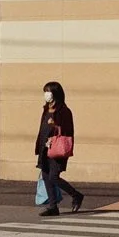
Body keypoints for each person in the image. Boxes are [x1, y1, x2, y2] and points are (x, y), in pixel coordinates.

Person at [34, 81, 84, 217]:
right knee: (45, 176)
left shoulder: (64, 111)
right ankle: (53, 206)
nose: (46, 94)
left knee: (54, 177)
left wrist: (56, 125)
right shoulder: (45, 109)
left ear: (55, 93)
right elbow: (42, 129)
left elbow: (68, 130)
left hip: (57, 149)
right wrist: (39, 145)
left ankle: (76, 195)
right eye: (45, 91)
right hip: (45, 147)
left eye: (48, 91)